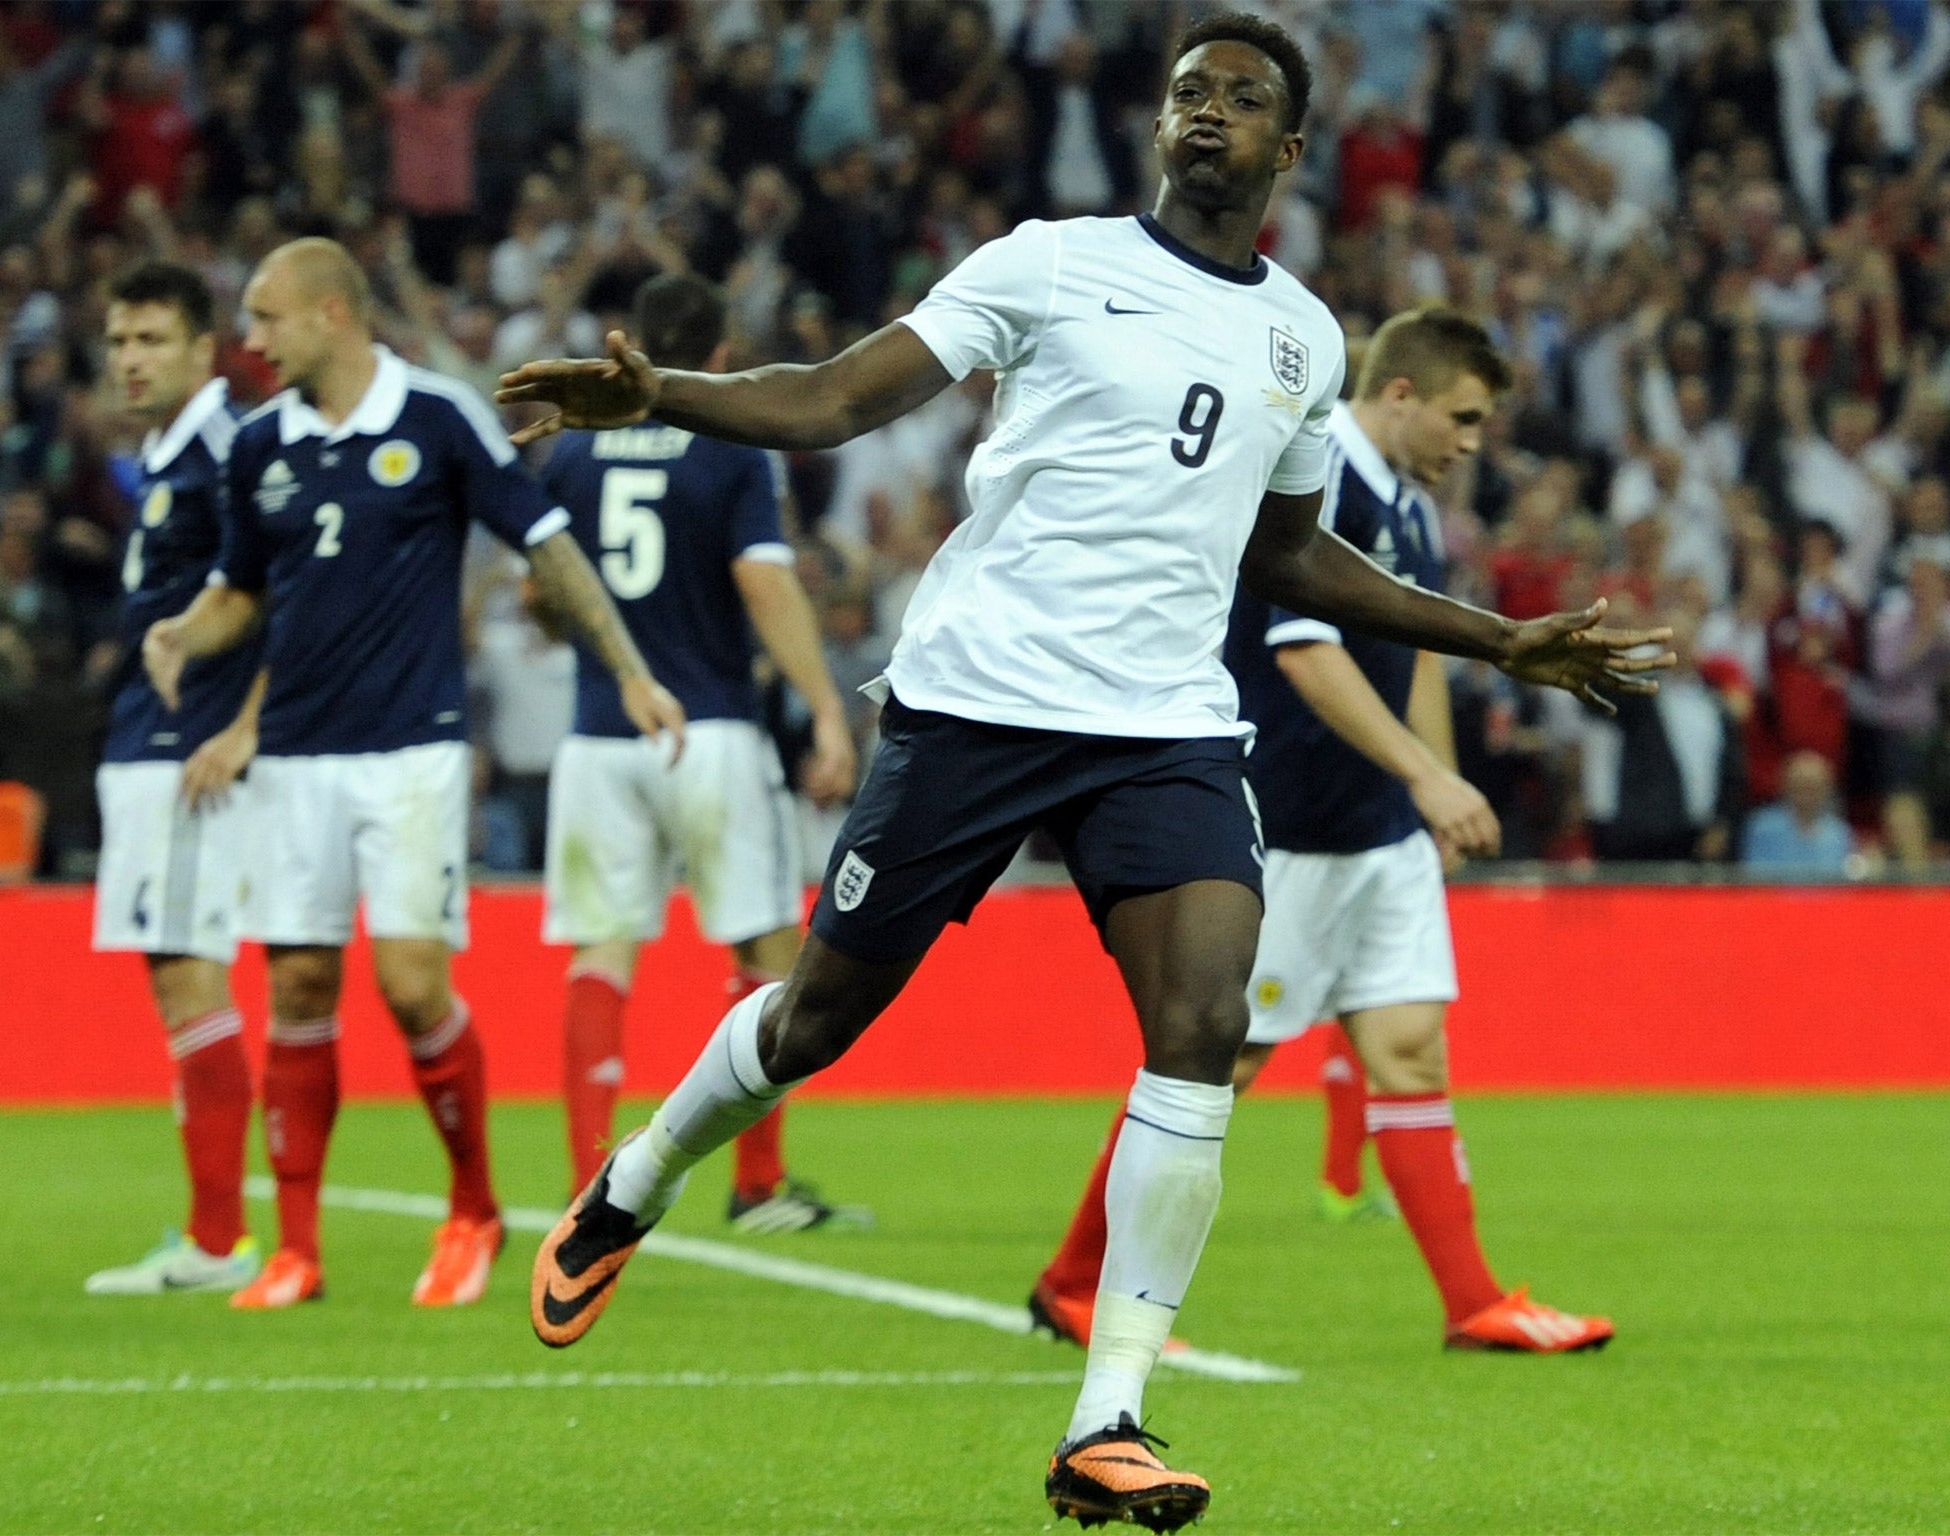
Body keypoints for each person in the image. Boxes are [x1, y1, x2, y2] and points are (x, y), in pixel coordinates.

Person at [499, 15, 1667, 1529]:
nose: (1206, 113)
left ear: (1287, 151)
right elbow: (838, 398)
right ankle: (636, 1180)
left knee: (1201, 1019)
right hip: (976, 701)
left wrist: (1497, 642)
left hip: (1167, 725)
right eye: (1187, 92)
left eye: (1242, 99)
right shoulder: (1046, 261)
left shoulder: (1302, 341)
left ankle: (1106, 1415)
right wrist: (660, 395)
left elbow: (1292, 556)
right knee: (818, 1019)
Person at [1028, 309, 1615, 1362]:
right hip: (1288, 827)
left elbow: (1418, 651)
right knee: (1215, 1061)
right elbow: (1305, 655)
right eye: (1461, 417)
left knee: (1407, 1050)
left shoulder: (1411, 504)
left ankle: (1473, 1302)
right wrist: (1428, 777)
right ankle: (1074, 1282)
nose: (1472, 441)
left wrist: (1433, 798)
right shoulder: (1317, 481)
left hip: (1378, 833)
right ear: (1399, 394)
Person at [144, 238, 683, 1312]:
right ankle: (295, 1250)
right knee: (296, 987)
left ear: (331, 313)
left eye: (264, 317)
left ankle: (473, 1207)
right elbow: (246, 593)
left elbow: (547, 543)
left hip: (411, 752)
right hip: (294, 755)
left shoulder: (434, 416)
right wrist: (181, 635)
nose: (248, 342)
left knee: (407, 983)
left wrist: (627, 669)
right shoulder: (259, 448)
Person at [538, 272, 869, 1231]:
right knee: (767, 948)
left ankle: (586, 1181)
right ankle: (759, 1183)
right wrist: (825, 712)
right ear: (717, 357)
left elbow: (539, 591)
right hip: (713, 725)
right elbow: (764, 584)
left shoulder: (576, 450)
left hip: (601, 731)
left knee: (603, 952)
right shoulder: (729, 448)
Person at [83, 261, 264, 1297]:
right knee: (173, 971)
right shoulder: (166, 457)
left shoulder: (226, 451)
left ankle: (217, 1239)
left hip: (188, 747)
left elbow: (288, 586)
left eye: (151, 338)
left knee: (190, 967)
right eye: (117, 341)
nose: (130, 359)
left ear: (204, 348)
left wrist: (244, 725)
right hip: (146, 739)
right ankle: (212, 1229)